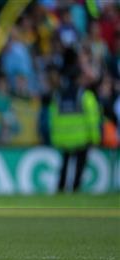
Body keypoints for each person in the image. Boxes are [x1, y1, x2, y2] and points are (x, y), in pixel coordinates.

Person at [49, 49, 101, 192]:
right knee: (79, 166)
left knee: (65, 165)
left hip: (63, 138)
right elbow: (92, 119)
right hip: (81, 138)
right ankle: (75, 189)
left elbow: (52, 117)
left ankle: (60, 189)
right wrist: (95, 138)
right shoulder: (85, 95)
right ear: (79, 78)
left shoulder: (58, 95)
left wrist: (55, 137)